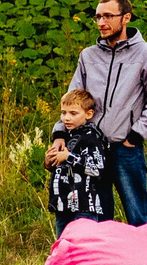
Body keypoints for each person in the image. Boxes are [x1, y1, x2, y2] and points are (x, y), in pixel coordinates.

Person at [44, 0, 147, 225]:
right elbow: (72, 99)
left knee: (138, 215)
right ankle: (103, 261)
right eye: (98, 17)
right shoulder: (88, 56)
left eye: (108, 16)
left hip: (125, 149)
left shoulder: (146, 53)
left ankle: (144, 261)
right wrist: (60, 133)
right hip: (89, 149)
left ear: (126, 17)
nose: (101, 22)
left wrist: (134, 136)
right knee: (98, 219)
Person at [47, 88, 112, 237]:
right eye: (63, 113)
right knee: (63, 245)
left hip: (84, 205)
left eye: (73, 113)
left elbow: (97, 169)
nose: (66, 118)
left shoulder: (92, 137)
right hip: (62, 204)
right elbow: (61, 168)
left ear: (88, 114)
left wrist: (69, 157)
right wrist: (50, 161)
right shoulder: (64, 136)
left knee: (83, 245)